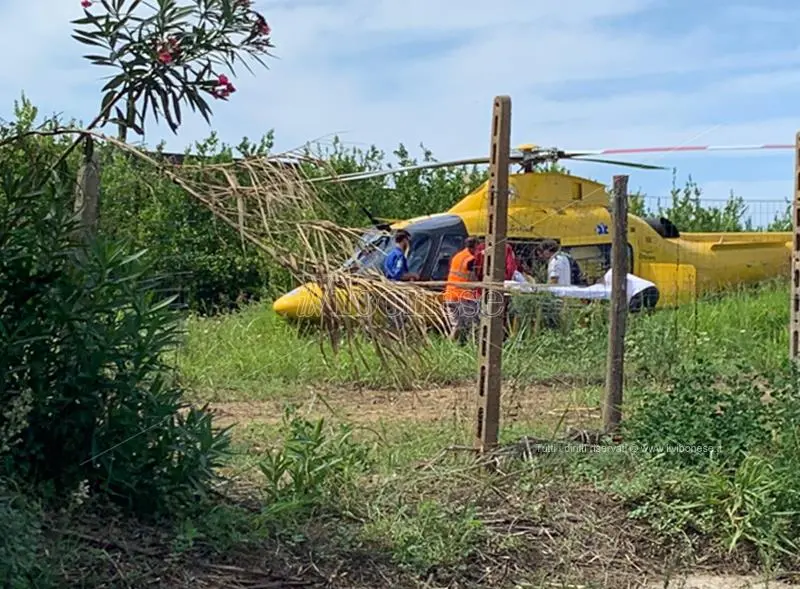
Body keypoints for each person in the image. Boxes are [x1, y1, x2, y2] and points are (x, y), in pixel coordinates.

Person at [443, 237, 480, 343]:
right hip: (462, 297)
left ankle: (449, 347)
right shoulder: (470, 259)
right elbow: (472, 278)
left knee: (457, 326)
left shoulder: (457, 256)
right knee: (473, 324)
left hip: (450, 295)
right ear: (475, 246)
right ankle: (473, 347)